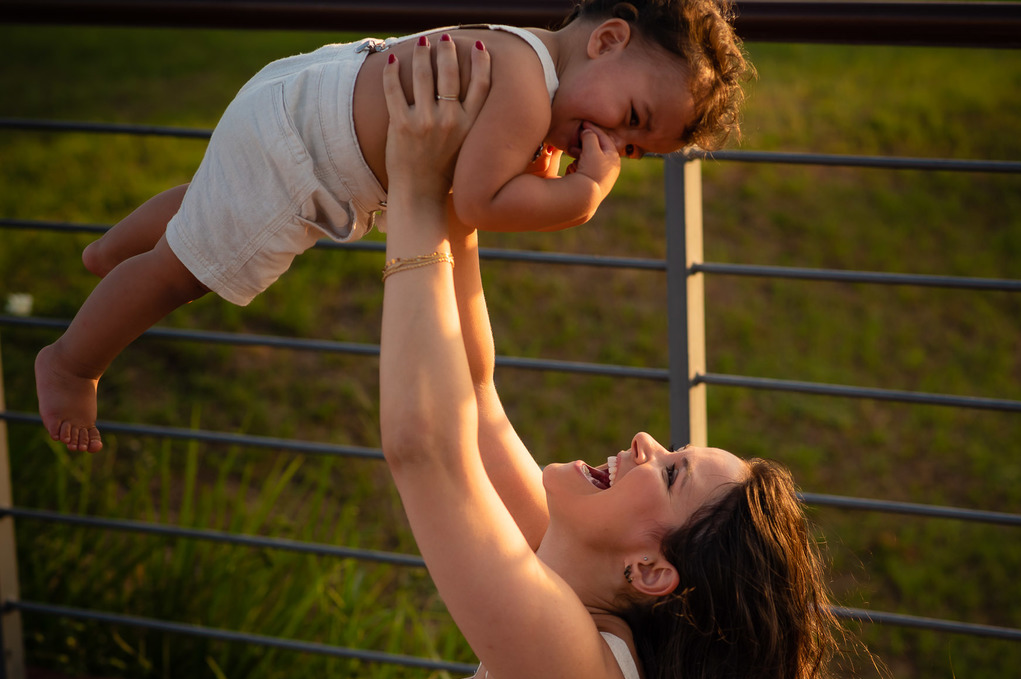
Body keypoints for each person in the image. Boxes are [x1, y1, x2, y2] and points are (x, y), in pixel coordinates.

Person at [380, 35, 881, 679]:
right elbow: (475, 403)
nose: (647, 440)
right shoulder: (569, 575)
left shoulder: (573, 670)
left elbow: (426, 450)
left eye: (671, 470)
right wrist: (464, 190)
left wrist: (413, 195)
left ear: (651, 571)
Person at [35, 0, 752, 453]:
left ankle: (111, 251)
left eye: (630, 150)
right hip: (303, 151)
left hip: (301, 97)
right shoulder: (529, 92)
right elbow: (476, 201)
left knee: (211, 201)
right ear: (608, 39)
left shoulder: (522, 54)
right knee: (180, 274)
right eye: (630, 119)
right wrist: (582, 196)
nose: (610, 147)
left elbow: (475, 172)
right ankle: (72, 363)